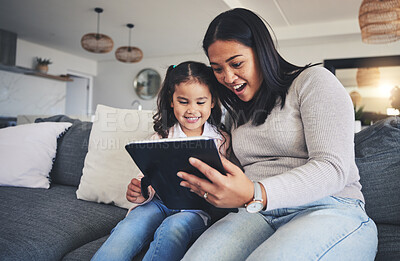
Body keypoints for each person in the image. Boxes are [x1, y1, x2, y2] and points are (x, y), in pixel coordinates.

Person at [176, 8, 378, 261]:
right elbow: (236, 177)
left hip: (330, 207)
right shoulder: (237, 111)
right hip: (256, 213)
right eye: (217, 68)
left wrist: (255, 192)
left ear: (262, 52)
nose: (227, 77)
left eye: (236, 63)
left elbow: (332, 167)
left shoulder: (314, 81)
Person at [92, 61, 230, 261]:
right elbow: (146, 175)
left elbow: (226, 183)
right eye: (183, 101)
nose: (192, 110)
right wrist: (140, 189)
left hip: (196, 209)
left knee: (172, 228)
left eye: (200, 102)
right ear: (172, 101)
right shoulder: (161, 137)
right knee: (130, 226)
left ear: (212, 101)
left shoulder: (221, 140)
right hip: (158, 203)